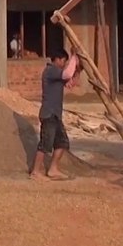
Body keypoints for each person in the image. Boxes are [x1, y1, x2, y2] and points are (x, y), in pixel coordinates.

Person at [31, 48, 79, 181]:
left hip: (56, 115)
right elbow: (67, 74)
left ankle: (53, 169)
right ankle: (35, 172)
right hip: (48, 113)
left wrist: (79, 70)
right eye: (64, 60)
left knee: (62, 143)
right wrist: (74, 57)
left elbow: (70, 83)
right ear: (57, 59)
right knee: (45, 144)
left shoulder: (58, 74)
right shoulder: (51, 70)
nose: (64, 63)